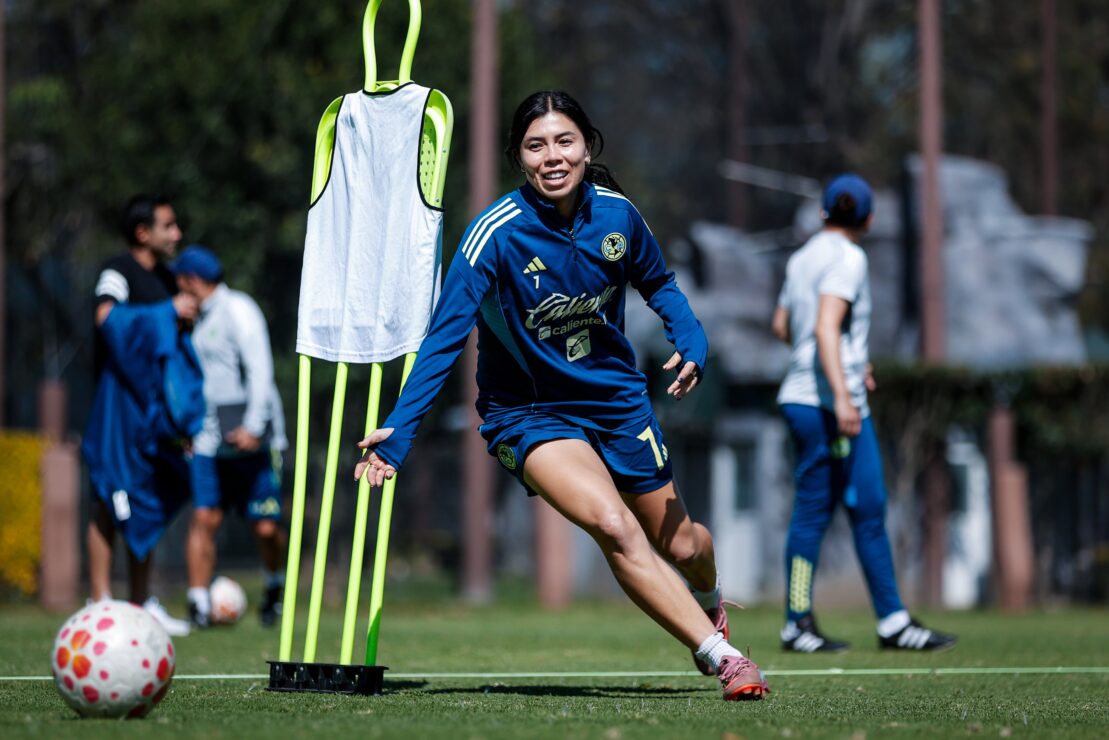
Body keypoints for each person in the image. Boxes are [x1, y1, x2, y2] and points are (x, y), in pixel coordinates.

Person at [354, 91, 768, 701]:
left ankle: (708, 602)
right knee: (612, 525)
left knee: (685, 545)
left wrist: (693, 341)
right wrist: (400, 432)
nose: (553, 156)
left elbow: (661, 284)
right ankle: (722, 657)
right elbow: (442, 341)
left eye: (564, 141)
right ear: (518, 157)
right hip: (528, 415)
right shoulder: (492, 237)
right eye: (536, 145)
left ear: (587, 146)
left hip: (617, 404)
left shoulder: (618, 217)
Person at [771, 173, 957, 653]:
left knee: (858, 505)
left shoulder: (800, 258)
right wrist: (842, 391)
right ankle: (808, 624)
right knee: (848, 510)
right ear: (869, 218)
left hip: (805, 396)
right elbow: (827, 327)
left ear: (822, 213)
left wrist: (848, 363)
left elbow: (782, 326)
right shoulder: (849, 258)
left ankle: (880, 621)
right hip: (829, 404)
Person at [82, 194, 203, 637]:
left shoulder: (169, 279)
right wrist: (165, 313)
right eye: (168, 226)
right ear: (142, 232)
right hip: (119, 408)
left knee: (149, 497)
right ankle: (98, 600)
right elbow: (105, 317)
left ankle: (140, 603)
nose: (177, 235)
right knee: (108, 493)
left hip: (157, 416)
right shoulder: (118, 271)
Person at [169, 245, 289, 628]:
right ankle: (198, 605)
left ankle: (274, 585)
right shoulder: (192, 319)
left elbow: (260, 370)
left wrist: (254, 426)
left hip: (254, 440)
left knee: (265, 527)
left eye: (180, 280)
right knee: (204, 518)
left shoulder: (239, 309)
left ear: (191, 280)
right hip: (208, 440)